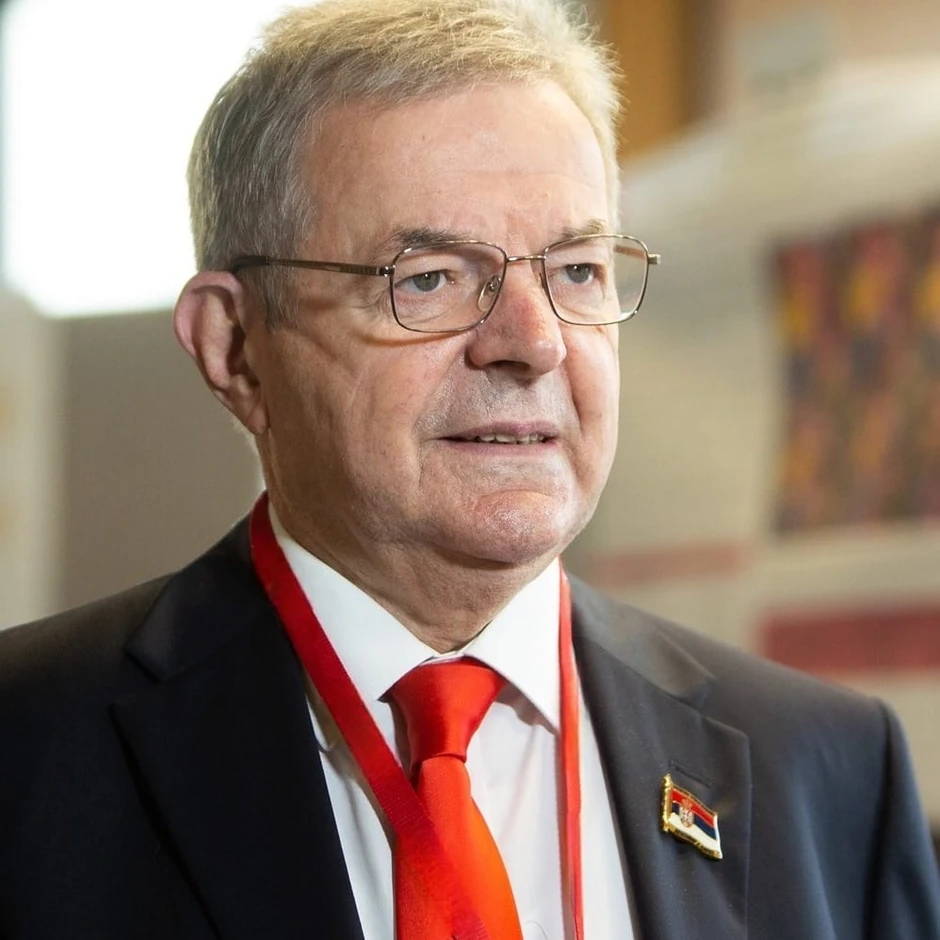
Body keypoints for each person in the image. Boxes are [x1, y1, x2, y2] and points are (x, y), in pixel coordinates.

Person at [1, 0, 939, 936]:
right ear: (237, 348)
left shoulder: (827, 768)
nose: (535, 342)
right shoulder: (27, 751)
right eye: (429, 278)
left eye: (577, 271)